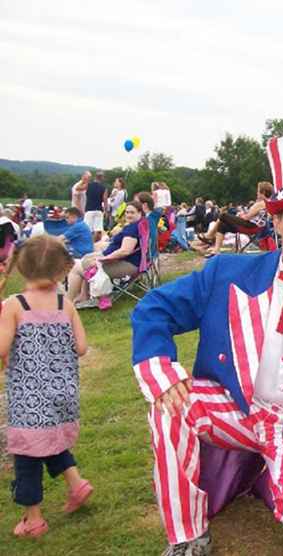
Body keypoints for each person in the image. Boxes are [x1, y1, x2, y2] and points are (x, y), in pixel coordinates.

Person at [130, 135, 283, 556]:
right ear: (275, 223)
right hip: (234, 409)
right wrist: (162, 372)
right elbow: (155, 308)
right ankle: (188, 533)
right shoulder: (225, 272)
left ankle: (262, 472)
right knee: (169, 406)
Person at [0, 235, 92, 538]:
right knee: (53, 441)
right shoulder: (65, 304)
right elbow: (81, 347)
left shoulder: (14, 305)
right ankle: (77, 485)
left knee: (27, 457)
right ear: (61, 270)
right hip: (63, 395)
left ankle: (33, 520)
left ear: (23, 270)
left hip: (29, 402)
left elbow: (2, 347)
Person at [66, 202, 143, 308]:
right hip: (127, 261)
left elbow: (125, 251)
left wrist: (104, 258)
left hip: (127, 265)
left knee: (75, 268)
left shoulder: (133, 229)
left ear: (140, 213)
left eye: (132, 213)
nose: (128, 215)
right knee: (86, 259)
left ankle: (68, 302)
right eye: (127, 212)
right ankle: (83, 296)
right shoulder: (137, 225)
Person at [204, 181, 275, 257]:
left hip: (251, 226)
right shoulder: (267, 203)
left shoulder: (261, 203)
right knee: (222, 225)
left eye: (258, 191)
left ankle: (210, 235)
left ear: (263, 192)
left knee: (223, 215)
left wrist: (241, 215)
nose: (256, 193)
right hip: (255, 227)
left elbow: (247, 217)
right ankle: (216, 249)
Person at [79, 170, 108, 242]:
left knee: (87, 229)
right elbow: (105, 201)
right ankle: (93, 243)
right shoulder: (104, 188)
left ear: (95, 177)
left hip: (89, 209)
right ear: (102, 178)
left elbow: (78, 188)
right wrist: (106, 211)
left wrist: (84, 180)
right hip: (98, 210)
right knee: (97, 230)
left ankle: (87, 242)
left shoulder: (88, 185)